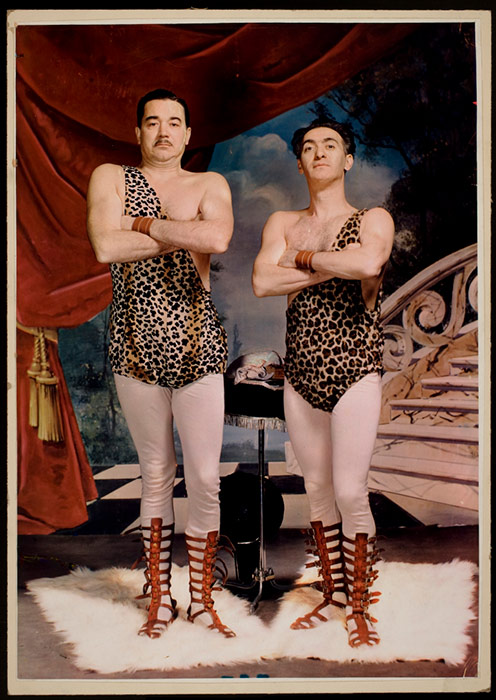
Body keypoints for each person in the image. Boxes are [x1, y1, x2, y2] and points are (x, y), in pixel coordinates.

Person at [87, 88, 235, 640]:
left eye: (174, 122)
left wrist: (143, 225)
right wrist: (181, 231)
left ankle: (201, 599)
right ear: (138, 132)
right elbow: (105, 247)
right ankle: (160, 598)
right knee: (155, 474)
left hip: (199, 345)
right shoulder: (110, 177)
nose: (164, 131)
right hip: (134, 344)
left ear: (189, 134)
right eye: (153, 122)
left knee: (204, 478)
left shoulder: (209, 183)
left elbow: (217, 237)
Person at [252, 117, 394, 648]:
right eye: (308, 147)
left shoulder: (371, 218)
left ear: (348, 159)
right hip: (303, 374)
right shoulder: (284, 221)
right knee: (318, 490)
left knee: (351, 490)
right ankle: (333, 595)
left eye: (330, 145)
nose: (319, 153)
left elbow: (369, 260)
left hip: (355, 369)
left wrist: (303, 259)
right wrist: (336, 265)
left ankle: (359, 605)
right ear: (299, 163)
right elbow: (262, 280)